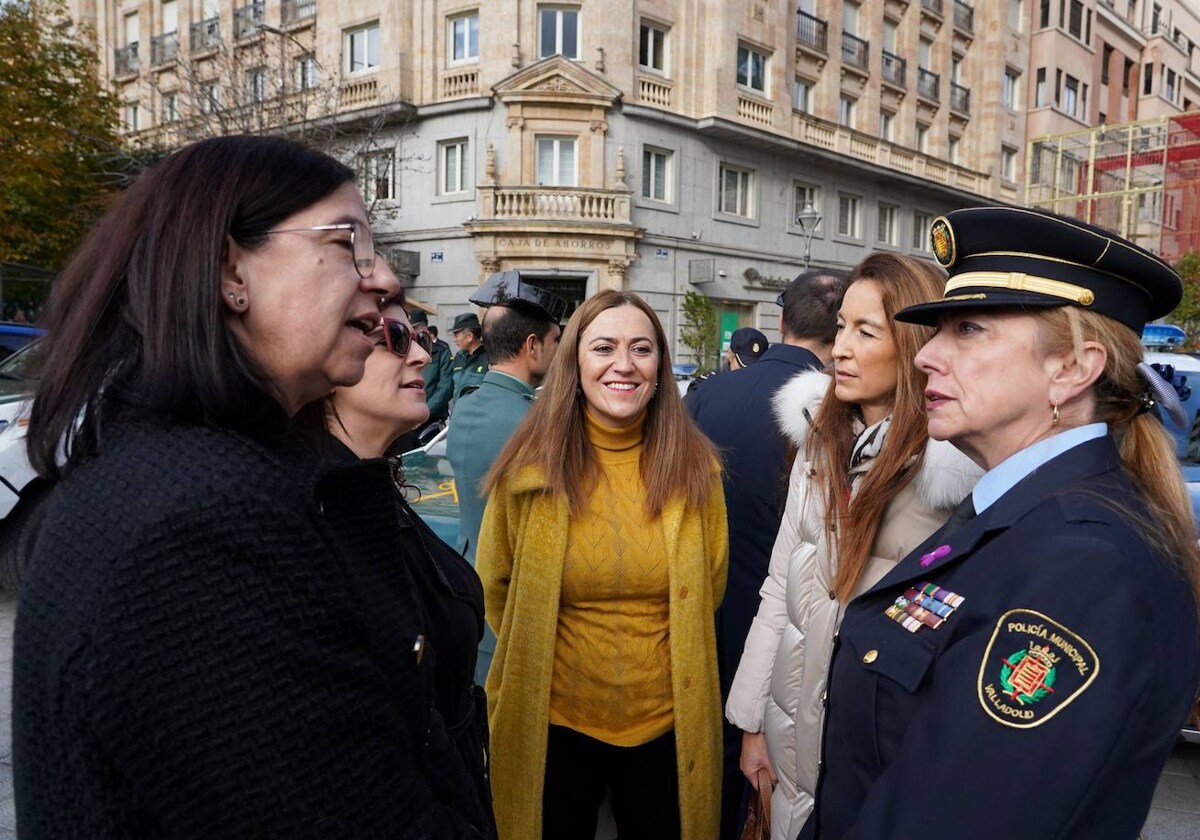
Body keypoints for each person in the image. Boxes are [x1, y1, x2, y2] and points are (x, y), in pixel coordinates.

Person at [13, 136, 484, 837]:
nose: (383, 279)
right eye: (346, 243)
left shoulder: (211, 470)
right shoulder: (203, 530)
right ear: (232, 271)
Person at [805, 207, 1200, 839]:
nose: (926, 356)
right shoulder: (1021, 514)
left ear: (1072, 368)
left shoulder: (1082, 567)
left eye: (969, 329)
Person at [724, 253, 981, 839]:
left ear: (917, 344)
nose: (839, 347)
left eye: (866, 332)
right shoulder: (819, 441)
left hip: (877, 760)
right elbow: (778, 587)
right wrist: (752, 721)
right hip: (791, 740)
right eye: (841, 326)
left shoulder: (952, 473)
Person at [477, 290, 729, 840]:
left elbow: (708, 589)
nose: (624, 364)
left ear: (660, 366)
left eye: (641, 348)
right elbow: (496, 587)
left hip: (668, 724)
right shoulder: (527, 470)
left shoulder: (697, 473)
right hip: (553, 723)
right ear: (575, 364)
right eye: (603, 347)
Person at [686, 267, 851, 840]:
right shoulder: (840, 410)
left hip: (707, 601)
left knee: (715, 748)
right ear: (840, 334)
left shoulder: (708, 393)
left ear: (780, 322)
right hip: (793, 625)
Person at [323, 296, 495, 838]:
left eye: (415, 337)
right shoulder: (319, 518)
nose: (421, 354)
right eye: (393, 339)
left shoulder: (369, 487)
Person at [446, 272, 566, 685]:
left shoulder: (466, 404)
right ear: (532, 346)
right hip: (516, 609)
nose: (557, 353)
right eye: (554, 343)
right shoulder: (535, 425)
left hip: (469, 592)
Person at [687, 327, 770, 394]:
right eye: (743, 365)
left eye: (755, 367)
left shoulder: (765, 390)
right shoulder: (705, 385)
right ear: (730, 356)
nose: (748, 372)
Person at [410, 307, 454, 427]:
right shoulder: (404, 351)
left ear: (424, 328)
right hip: (407, 421)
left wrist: (425, 413)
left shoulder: (441, 351)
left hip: (432, 421)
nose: (411, 332)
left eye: (414, 328)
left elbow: (446, 387)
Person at [450, 312, 489, 402]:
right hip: (457, 413)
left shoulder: (489, 358)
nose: (454, 340)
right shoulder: (458, 357)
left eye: (456, 335)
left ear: (469, 336)